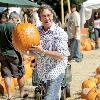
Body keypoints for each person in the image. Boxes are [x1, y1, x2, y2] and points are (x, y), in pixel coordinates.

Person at [28, 4, 70, 100]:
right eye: (44, 16)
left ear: (52, 16)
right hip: (43, 73)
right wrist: (23, 51)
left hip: (56, 72)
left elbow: (61, 55)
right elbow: (35, 53)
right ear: (40, 18)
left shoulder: (60, 33)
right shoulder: (36, 32)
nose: (47, 18)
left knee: (49, 98)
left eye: (49, 15)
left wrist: (43, 51)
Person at [0, 11, 28, 100]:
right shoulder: (14, 27)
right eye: (17, 19)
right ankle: (22, 92)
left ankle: (9, 95)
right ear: (14, 18)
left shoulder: (0, 26)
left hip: (2, 54)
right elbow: (21, 40)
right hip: (14, 53)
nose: (17, 21)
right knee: (20, 74)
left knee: (6, 75)